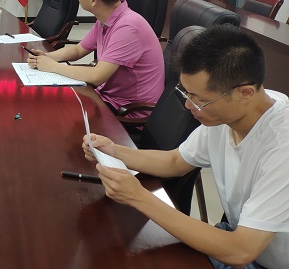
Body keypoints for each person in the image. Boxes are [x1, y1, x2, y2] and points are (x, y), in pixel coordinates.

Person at [84, 25, 288, 269]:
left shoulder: (281, 146)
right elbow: (175, 162)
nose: (189, 107)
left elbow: (240, 251)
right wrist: (115, 151)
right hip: (237, 237)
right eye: (186, 94)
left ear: (245, 93)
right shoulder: (231, 113)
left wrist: (138, 197)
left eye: (199, 100)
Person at [27, 0, 164, 117]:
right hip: (107, 97)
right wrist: (46, 57)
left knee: (55, 113)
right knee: (51, 103)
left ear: (93, 0)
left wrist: (53, 67)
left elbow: (97, 76)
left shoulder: (128, 27)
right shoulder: (107, 18)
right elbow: (78, 50)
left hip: (127, 110)